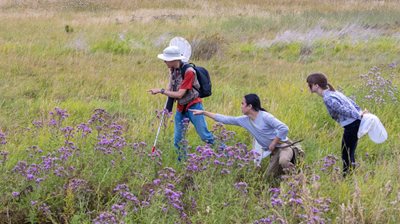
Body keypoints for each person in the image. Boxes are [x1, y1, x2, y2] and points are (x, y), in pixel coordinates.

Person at [190, 93, 296, 180]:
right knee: (268, 178)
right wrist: (204, 112)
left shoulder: (265, 117)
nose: (241, 106)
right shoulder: (244, 120)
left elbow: (284, 128)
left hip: (284, 146)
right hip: (274, 151)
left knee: (283, 161)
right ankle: (290, 179)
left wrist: (273, 142)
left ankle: (298, 176)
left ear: (250, 106)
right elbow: (224, 119)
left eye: (242, 103)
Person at [148, 46, 214, 161]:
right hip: (181, 108)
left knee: (205, 136)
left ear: (174, 59)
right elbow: (171, 87)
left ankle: (227, 153)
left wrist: (161, 91)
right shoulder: (173, 69)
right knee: (178, 140)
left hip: (194, 107)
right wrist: (167, 104)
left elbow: (179, 94)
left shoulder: (189, 72)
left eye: (166, 59)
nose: (164, 61)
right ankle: (182, 164)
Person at [306, 73, 367, 176]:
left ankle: (347, 177)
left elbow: (342, 109)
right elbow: (350, 102)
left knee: (346, 154)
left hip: (351, 125)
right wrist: (359, 112)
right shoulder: (333, 92)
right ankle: (351, 176)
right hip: (354, 123)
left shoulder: (328, 98)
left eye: (309, 85)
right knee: (349, 152)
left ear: (316, 85)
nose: (308, 87)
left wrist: (359, 115)